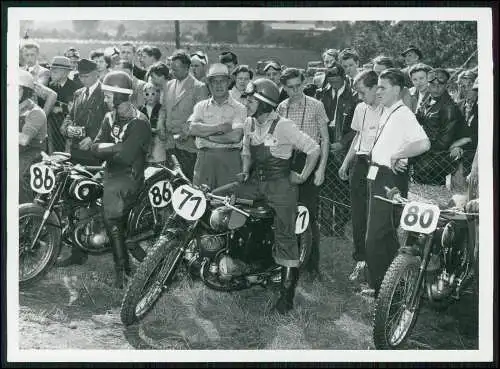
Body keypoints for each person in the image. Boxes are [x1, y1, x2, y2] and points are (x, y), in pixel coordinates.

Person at [238, 78, 321, 314]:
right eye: (247, 99)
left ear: (265, 103)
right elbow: (246, 149)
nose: (247, 103)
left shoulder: (284, 126)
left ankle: (286, 296)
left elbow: (313, 149)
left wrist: (302, 176)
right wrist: (245, 170)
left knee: (285, 236)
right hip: (255, 182)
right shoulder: (249, 123)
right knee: (228, 208)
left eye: (252, 100)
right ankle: (247, 262)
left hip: (281, 186)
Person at [364, 68, 430, 297]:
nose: (377, 91)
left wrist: (397, 155)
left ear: (397, 89)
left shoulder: (403, 113)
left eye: (382, 87)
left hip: (389, 179)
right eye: (377, 87)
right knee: (384, 235)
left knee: (377, 236)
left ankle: (384, 287)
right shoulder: (388, 111)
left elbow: (423, 144)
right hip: (379, 175)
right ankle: (389, 286)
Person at [89, 71, 152, 288]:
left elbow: (125, 157)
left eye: (108, 96)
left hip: (129, 176)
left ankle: (123, 272)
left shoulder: (140, 122)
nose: (105, 99)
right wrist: (115, 148)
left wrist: (108, 149)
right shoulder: (109, 117)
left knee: (112, 219)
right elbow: (94, 147)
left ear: (119, 97)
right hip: (111, 171)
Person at [277, 68, 330, 280]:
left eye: (298, 85)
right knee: (286, 212)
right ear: (284, 88)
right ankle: (288, 262)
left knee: (308, 213)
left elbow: (324, 139)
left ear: (304, 82)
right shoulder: (282, 107)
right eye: (290, 87)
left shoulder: (316, 105)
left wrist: (321, 169)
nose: (295, 90)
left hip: (310, 158)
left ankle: (311, 266)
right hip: (287, 160)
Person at [338, 70, 383, 283]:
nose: (359, 97)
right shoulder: (360, 108)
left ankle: (378, 264)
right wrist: (347, 162)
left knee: (375, 215)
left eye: (363, 92)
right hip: (361, 163)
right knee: (358, 214)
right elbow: (358, 136)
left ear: (376, 88)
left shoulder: (389, 109)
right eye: (357, 93)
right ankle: (361, 260)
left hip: (381, 166)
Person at [187, 63, 247, 190]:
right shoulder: (200, 107)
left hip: (230, 160)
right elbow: (192, 129)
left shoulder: (239, 108)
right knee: (201, 200)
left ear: (228, 83)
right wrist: (219, 128)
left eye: (222, 81)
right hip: (204, 159)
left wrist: (206, 136)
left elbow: (236, 136)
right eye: (214, 82)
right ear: (209, 84)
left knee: (226, 204)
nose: (219, 85)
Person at [316, 63, 358, 237]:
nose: (334, 85)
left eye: (337, 81)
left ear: (344, 79)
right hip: (325, 139)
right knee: (325, 187)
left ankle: (340, 226)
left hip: (345, 143)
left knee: (342, 190)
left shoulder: (354, 97)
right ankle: (325, 226)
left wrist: (343, 143)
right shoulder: (321, 94)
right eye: (331, 81)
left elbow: (357, 127)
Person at [158, 50, 209, 179]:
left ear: (187, 68)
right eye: (171, 68)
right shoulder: (168, 85)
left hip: (188, 146)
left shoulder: (199, 87)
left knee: (187, 181)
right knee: (171, 180)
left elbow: (200, 115)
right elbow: (163, 109)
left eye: (176, 69)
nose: (172, 72)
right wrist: (161, 127)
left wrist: (186, 133)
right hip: (170, 145)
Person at [412, 68, 467, 186]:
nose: (436, 88)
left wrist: (418, 149)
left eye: (440, 85)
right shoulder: (429, 99)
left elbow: (444, 142)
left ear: (446, 85)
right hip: (427, 148)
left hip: (441, 154)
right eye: (432, 84)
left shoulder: (449, 108)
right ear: (428, 84)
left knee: (422, 166)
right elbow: (418, 118)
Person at [59, 59, 106, 166]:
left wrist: (93, 138)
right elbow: (70, 116)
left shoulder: (105, 93)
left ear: (96, 74)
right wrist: (66, 128)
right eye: (80, 76)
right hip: (76, 148)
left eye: (86, 76)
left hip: (95, 150)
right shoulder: (78, 93)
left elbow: (110, 120)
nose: (83, 80)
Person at [18, 69, 47, 204]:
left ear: (27, 91)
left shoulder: (35, 112)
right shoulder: (11, 107)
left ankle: (26, 214)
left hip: (32, 154)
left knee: (16, 174)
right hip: (16, 152)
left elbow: (24, 140)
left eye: (17, 89)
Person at [47, 56, 82, 153]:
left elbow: (79, 109)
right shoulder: (50, 86)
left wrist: (62, 109)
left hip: (69, 129)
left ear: (65, 73)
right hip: (52, 127)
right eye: (51, 71)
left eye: (55, 72)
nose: (51, 74)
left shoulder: (76, 88)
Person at [139, 82, 165, 164]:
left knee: (158, 167)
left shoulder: (162, 109)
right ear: (143, 95)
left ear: (158, 95)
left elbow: (162, 128)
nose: (150, 97)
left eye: (153, 94)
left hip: (159, 144)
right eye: (147, 94)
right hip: (144, 145)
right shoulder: (140, 110)